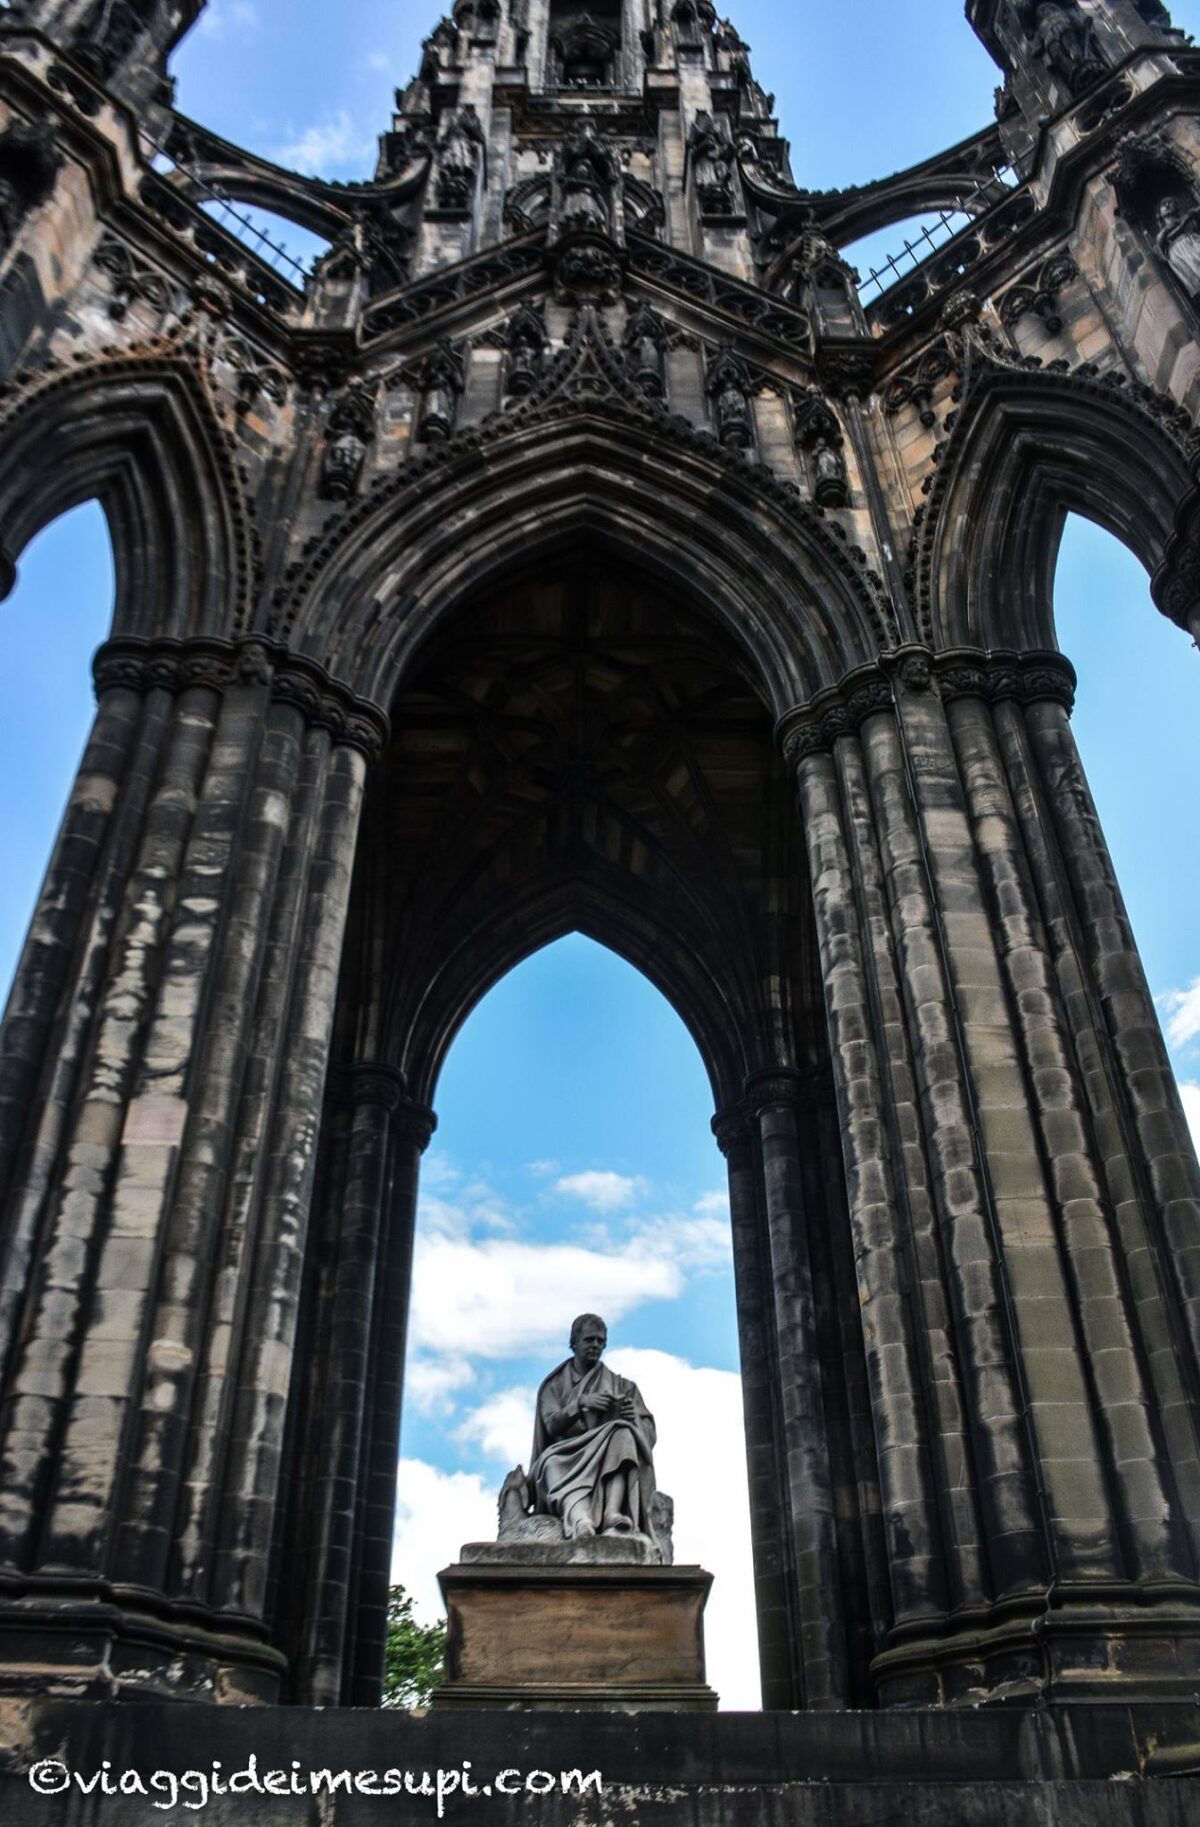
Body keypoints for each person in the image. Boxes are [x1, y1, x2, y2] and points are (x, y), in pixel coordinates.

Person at [529, 1315, 658, 1541]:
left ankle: (612, 1512)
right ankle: (580, 1520)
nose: (596, 1345)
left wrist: (632, 1419)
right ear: (574, 1343)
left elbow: (648, 1432)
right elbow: (551, 1424)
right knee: (551, 1465)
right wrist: (579, 1405)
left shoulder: (622, 1386)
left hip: (606, 1449)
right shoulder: (554, 1385)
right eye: (589, 1340)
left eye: (600, 1341)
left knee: (623, 1433)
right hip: (565, 1453)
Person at [1155, 193, 1200, 298]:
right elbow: (1160, 248)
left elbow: (1195, 211)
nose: (1167, 206)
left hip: (1192, 242)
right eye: (1163, 204)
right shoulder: (1163, 233)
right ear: (1160, 214)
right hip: (1180, 252)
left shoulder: (1186, 216)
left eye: (1169, 202)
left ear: (1176, 206)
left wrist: (1186, 218)